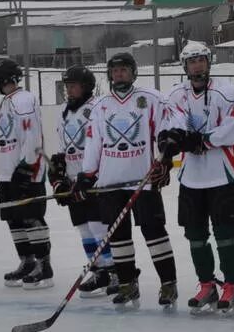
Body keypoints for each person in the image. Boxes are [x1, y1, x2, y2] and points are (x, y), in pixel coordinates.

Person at [76, 52, 178, 310]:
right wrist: (87, 175)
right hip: (111, 183)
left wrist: (164, 160)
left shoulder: (152, 99)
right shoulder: (100, 106)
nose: (118, 74)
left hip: (142, 180)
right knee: (118, 236)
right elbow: (94, 142)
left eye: (123, 70)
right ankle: (127, 283)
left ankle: (168, 283)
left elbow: (166, 132)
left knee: (154, 232)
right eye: (114, 70)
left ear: (133, 72)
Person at [162, 41, 234, 316]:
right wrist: (172, 138)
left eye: (201, 60)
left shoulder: (227, 91)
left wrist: (202, 141)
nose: (197, 65)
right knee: (195, 235)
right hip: (191, 177)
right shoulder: (176, 94)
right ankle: (207, 285)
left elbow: (231, 131)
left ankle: (231, 285)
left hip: (222, 174)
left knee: (226, 234)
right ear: (185, 66)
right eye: (192, 61)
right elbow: (175, 121)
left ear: (209, 62)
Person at [49, 65, 116, 298]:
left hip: (93, 179)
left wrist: (92, 176)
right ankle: (98, 271)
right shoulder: (64, 112)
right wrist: (58, 178)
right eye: (67, 85)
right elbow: (61, 148)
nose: (69, 89)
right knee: (84, 229)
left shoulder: (97, 107)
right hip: (73, 179)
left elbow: (104, 143)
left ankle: (114, 271)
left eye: (73, 85)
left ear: (86, 86)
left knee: (99, 226)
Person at [0, 59, 54, 288]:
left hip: (27, 171)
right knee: (14, 219)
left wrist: (27, 166)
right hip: (9, 172)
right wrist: (5, 172)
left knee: (31, 216)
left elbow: (32, 136)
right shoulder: (6, 102)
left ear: (4, 78)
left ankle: (43, 265)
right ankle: (27, 261)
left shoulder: (24, 99)